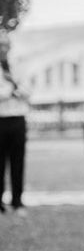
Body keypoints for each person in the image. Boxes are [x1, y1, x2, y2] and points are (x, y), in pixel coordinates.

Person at [0, 31, 29, 215]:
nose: (3, 48)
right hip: (1, 120)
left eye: (5, 45)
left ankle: (17, 201)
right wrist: (11, 91)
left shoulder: (18, 66)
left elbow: (27, 92)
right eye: (0, 45)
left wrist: (15, 87)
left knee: (18, 162)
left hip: (18, 119)